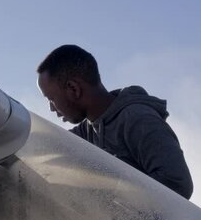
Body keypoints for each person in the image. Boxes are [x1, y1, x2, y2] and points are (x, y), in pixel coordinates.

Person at [36, 44, 193, 199]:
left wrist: (113, 197)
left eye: (51, 99)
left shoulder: (138, 119)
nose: (51, 108)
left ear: (73, 89)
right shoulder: (88, 130)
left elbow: (178, 183)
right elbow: (47, 144)